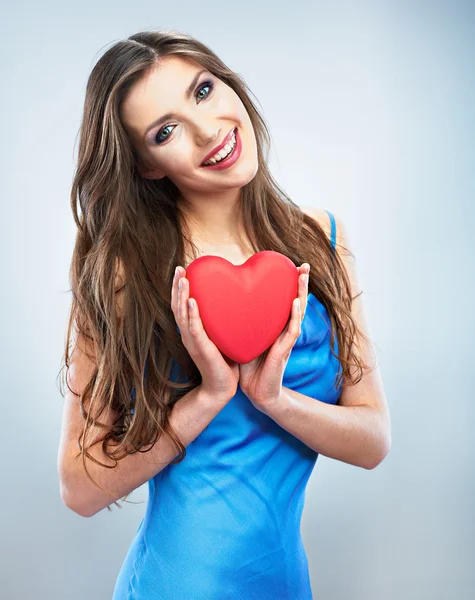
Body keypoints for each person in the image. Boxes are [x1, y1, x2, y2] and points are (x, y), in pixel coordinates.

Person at [57, 28, 391, 600]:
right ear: (146, 166)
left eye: (204, 91)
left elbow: (373, 440)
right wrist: (206, 399)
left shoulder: (323, 239)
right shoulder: (124, 271)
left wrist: (274, 400)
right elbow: (80, 489)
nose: (208, 130)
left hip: (285, 580)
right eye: (166, 131)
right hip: (174, 583)